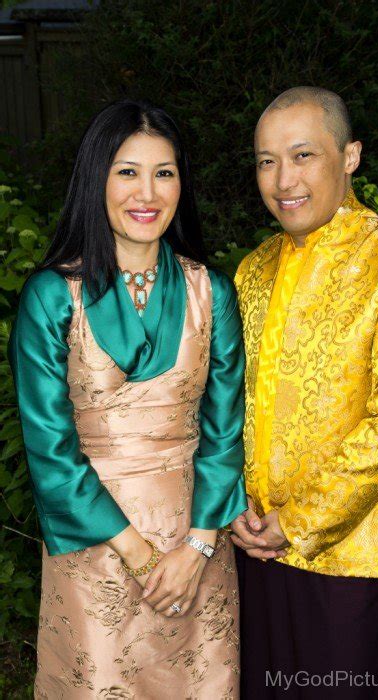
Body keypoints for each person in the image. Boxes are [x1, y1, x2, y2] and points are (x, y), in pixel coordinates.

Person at [8, 99, 247, 698]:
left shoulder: (211, 292)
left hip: (197, 551)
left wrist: (195, 546)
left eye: (164, 173)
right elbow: (51, 452)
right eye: (126, 171)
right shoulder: (51, 295)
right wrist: (140, 556)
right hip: (97, 553)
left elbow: (224, 433)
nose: (148, 192)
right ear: (97, 179)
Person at [231, 87, 378, 699]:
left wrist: (298, 523)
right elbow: (231, 402)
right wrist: (235, 509)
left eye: (303, 156)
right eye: (266, 161)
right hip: (255, 549)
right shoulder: (254, 270)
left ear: (350, 156)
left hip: (349, 561)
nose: (283, 180)